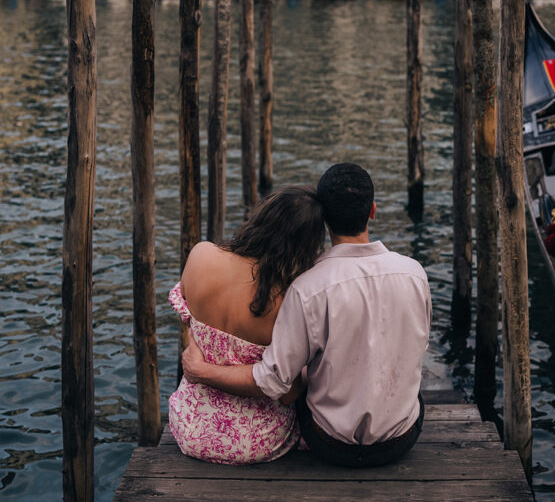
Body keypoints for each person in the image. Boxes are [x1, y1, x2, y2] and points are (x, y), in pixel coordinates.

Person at [183, 163, 432, 468]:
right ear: (373, 211)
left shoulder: (307, 287)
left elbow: (275, 383)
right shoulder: (415, 274)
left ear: (325, 221)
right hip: (400, 442)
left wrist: (200, 370)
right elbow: (418, 347)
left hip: (330, 444)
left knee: (302, 370)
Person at [168, 185, 325, 465]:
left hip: (190, 428)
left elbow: (189, 323)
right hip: (260, 440)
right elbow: (286, 393)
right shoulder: (288, 300)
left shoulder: (201, 255)